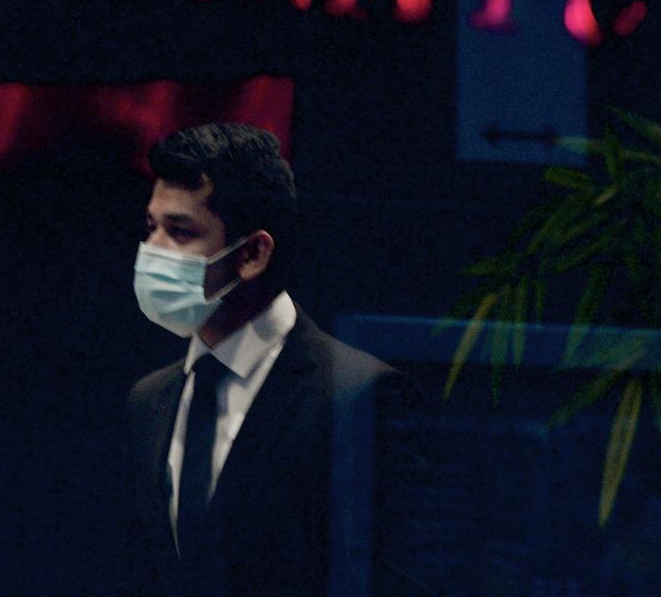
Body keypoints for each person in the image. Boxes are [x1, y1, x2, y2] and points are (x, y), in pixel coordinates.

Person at [124, 123, 431, 596]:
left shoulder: (356, 393)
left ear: (252, 254)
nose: (153, 250)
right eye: (152, 228)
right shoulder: (150, 400)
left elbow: (397, 580)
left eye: (180, 232)